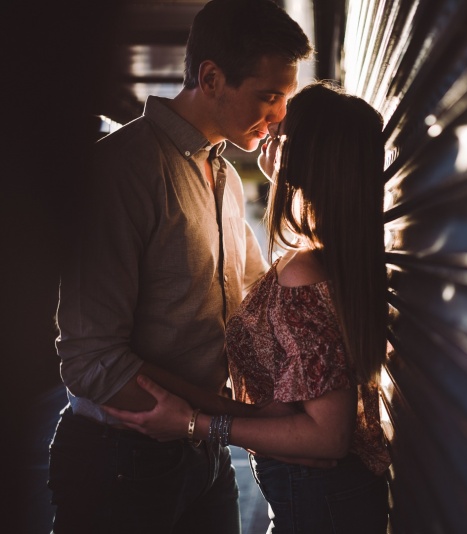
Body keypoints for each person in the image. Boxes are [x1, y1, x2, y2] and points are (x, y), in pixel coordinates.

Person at [48, 1, 313, 532]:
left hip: (202, 453)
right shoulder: (124, 169)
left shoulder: (228, 179)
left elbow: (257, 300)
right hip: (120, 464)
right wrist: (234, 418)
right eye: (269, 95)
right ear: (211, 78)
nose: (281, 113)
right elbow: (92, 360)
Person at [105, 81, 392, 533]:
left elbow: (327, 436)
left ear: (302, 155)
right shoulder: (326, 257)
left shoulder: (304, 271)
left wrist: (196, 424)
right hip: (320, 498)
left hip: (320, 502)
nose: (270, 128)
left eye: (283, 128)